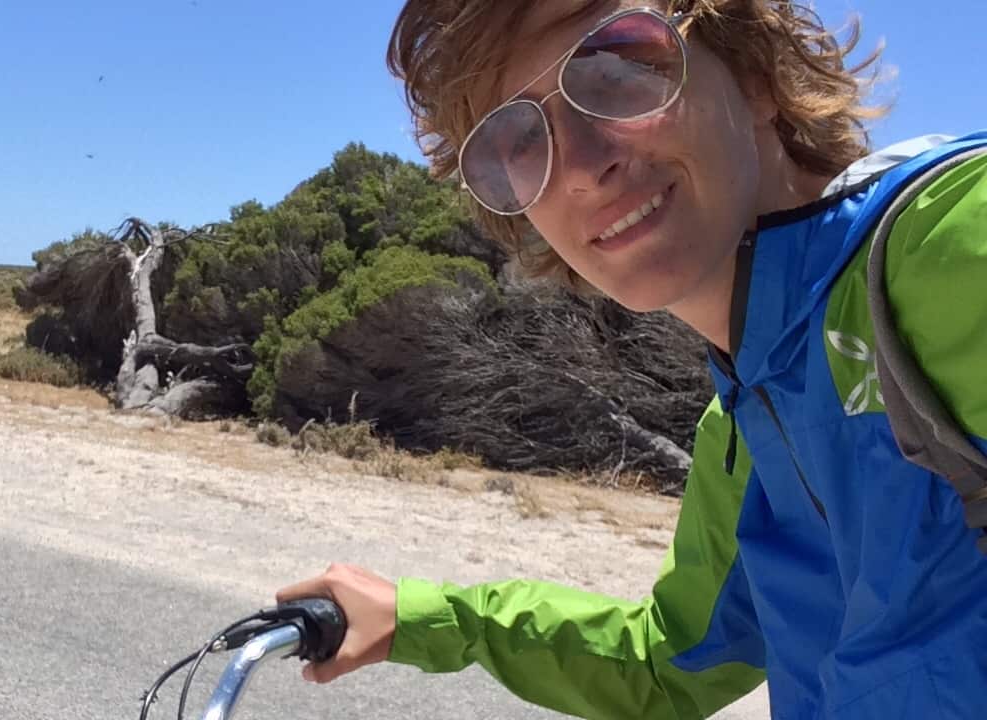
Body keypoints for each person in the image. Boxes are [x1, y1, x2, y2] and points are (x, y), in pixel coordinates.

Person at [275, 1, 987, 718]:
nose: (584, 168)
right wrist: (425, 617)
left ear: (752, 77)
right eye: (517, 143)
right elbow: (669, 663)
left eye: (619, 70)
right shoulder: (746, 419)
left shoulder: (944, 249)